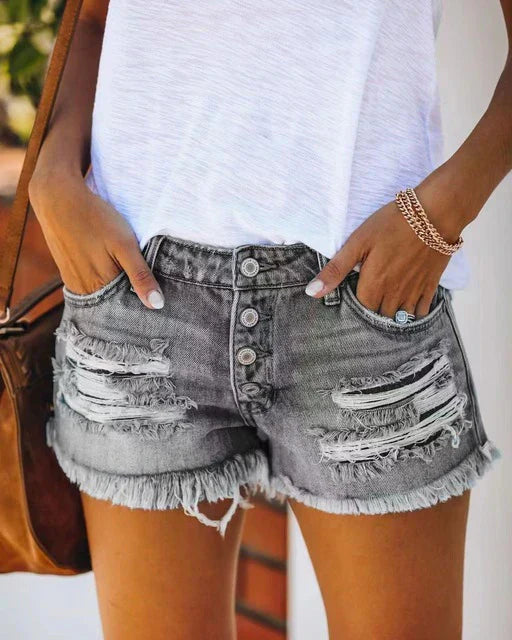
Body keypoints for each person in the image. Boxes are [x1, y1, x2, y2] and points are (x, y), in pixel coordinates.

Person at [28, 1, 510, 638]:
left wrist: (440, 215)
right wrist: (52, 172)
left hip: (364, 310)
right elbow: (93, 19)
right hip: (136, 306)